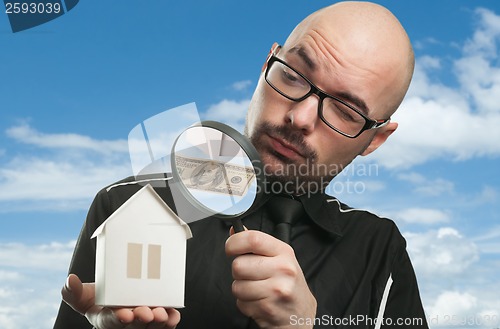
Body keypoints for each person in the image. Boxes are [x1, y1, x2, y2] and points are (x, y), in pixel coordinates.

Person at [54, 1, 428, 328]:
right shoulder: (128, 207)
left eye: (345, 111)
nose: (299, 118)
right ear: (268, 63)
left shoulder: (381, 251)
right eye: (294, 76)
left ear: (374, 139)